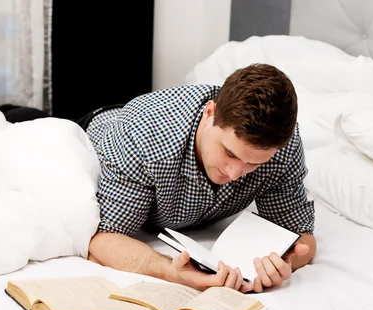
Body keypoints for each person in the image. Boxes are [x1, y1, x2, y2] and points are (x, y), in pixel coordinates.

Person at [92, 63, 316, 293]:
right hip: (101, 124)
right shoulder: (142, 137)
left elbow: (302, 238)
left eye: (254, 163)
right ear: (209, 113)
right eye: (229, 153)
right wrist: (172, 272)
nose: (234, 174)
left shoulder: (282, 149)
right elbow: (103, 240)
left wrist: (285, 262)